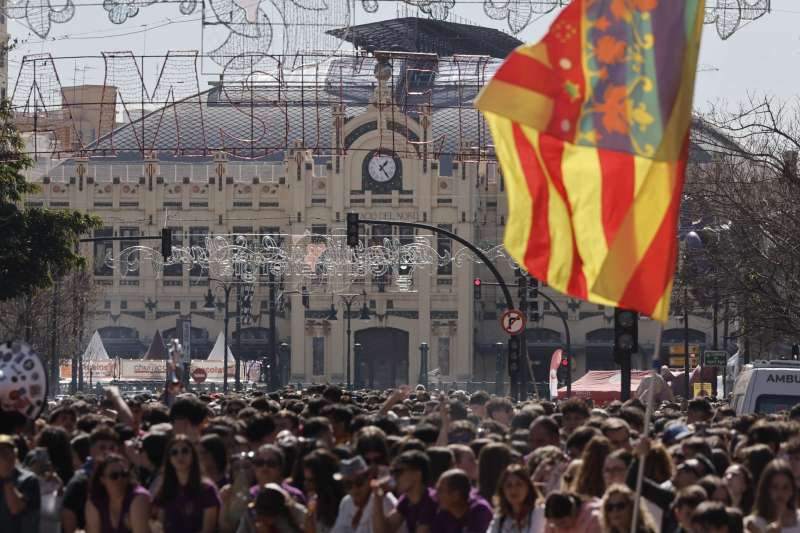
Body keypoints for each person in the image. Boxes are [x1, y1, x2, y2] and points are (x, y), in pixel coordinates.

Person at [153, 435, 221, 533]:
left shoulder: (207, 488)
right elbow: (160, 523)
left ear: (193, 455)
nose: (180, 456)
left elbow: (208, 529)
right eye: (174, 452)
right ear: (169, 459)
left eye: (185, 451)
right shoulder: (165, 489)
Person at [61, 425, 119, 533]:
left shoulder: (121, 477)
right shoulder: (80, 481)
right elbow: (68, 516)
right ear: (91, 450)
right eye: (102, 447)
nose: (107, 452)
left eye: (112, 448)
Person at [372, 450, 437, 533]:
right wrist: (378, 497)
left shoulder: (430, 500)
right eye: (392, 473)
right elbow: (382, 531)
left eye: (398, 472)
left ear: (417, 474)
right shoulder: (406, 499)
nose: (393, 478)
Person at [85, 453, 151, 533]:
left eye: (124, 474)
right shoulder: (96, 501)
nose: (120, 479)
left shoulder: (138, 497)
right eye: (114, 476)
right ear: (102, 479)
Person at [331, 455, 396, 533]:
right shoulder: (346, 502)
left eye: (359, 481)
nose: (354, 489)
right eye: (348, 484)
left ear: (369, 479)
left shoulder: (383, 500)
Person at [744, 459, 800, 533]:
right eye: (775, 487)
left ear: (792, 490)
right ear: (766, 489)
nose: (780, 492)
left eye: (785, 487)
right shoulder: (752, 524)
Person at [0, 434, 40, 533]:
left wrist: (6, 477)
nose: (3, 458)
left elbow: (15, 508)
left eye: (5, 452)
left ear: (15, 454)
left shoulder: (28, 479)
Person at [432, 468, 493, 533]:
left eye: (440, 490)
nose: (435, 495)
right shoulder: (443, 514)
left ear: (455, 495)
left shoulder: (480, 511)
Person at [487, 464, 544, 533]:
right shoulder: (500, 518)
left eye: (519, 484)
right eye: (509, 485)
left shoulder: (538, 511)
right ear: (503, 490)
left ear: (528, 487)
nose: (513, 490)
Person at [302, 449, 343, 533]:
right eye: (305, 480)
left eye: (311, 481)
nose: (306, 485)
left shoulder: (346, 503)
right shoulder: (313, 505)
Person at [237, 483, 306, 533]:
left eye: (269, 515)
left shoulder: (293, 513)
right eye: (262, 515)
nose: (268, 521)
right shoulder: (250, 513)